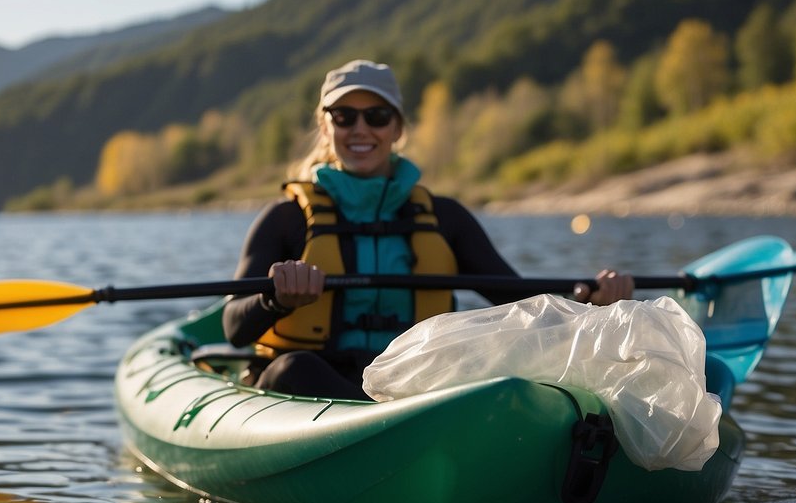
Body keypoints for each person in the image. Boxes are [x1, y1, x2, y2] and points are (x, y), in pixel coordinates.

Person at [222, 59, 634, 399]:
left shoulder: (445, 218)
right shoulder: (284, 218)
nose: (360, 129)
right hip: (310, 386)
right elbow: (235, 328)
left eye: (377, 116)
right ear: (326, 126)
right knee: (297, 365)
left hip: (413, 382)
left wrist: (586, 298)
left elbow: (517, 298)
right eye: (345, 117)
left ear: (397, 129)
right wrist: (276, 300)